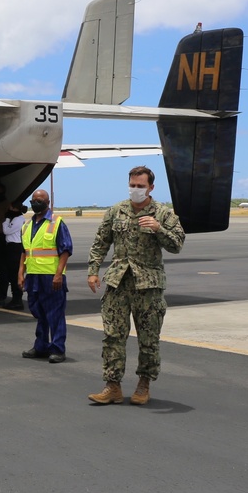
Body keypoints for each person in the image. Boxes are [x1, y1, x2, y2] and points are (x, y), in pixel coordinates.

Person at [86, 166, 185, 405]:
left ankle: (144, 384)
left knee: (148, 338)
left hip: (148, 286)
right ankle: (113, 386)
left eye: (141, 186)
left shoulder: (162, 213)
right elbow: (101, 242)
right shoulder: (115, 211)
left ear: (151, 187)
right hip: (118, 282)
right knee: (112, 336)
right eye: (133, 185)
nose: (136, 190)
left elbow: (177, 244)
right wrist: (92, 271)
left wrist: (159, 229)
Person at [18, 189, 72, 363]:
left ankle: (57, 349)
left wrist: (59, 274)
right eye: (33, 200)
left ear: (47, 202)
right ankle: (41, 346)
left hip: (51, 276)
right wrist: (20, 273)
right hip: (33, 276)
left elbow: (65, 250)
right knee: (38, 311)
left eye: (40, 200)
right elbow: (24, 252)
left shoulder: (57, 223)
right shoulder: (26, 225)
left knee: (54, 313)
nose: (36, 202)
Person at [0, 202, 27, 309]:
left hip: (15, 248)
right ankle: (15, 299)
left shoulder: (17, 219)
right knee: (11, 273)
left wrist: (6, 220)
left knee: (14, 274)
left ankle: (17, 300)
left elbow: (6, 231)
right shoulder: (16, 218)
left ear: (14, 209)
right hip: (11, 247)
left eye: (10, 208)